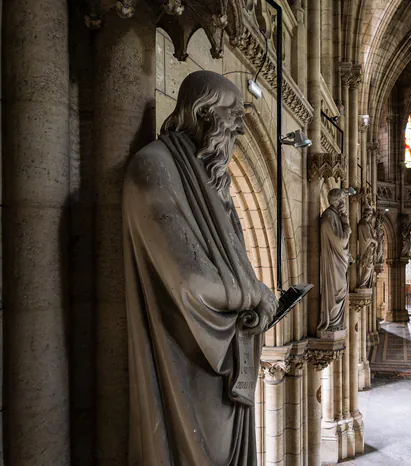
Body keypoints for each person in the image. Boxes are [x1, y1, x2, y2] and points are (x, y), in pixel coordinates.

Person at [123, 70, 277, 465]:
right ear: (204, 112)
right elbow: (192, 279)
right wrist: (254, 293)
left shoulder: (213, 181)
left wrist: (256, 301)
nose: (242, 127)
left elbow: (234, 265)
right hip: (189, 361)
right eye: (235, 114)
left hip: (227, 358)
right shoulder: (154, 165)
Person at [318, 188, 352, 332]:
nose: (344, 203)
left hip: (339, 261)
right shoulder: (329, 217)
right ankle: (332, 323)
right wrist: (346, 225)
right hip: (334, 264)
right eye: (343, 200)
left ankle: (336, 322)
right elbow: (341, 242)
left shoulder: (334, 216)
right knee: (336, 291)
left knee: (341, 290)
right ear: (337, 201)